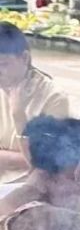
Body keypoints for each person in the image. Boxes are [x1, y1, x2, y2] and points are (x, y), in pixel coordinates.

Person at [0, 21, 70, 180]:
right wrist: (16, 158)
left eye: (3, 64)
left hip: (29, 185)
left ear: (25, 58)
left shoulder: (53, 98)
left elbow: (45, 163)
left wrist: (18, 115)